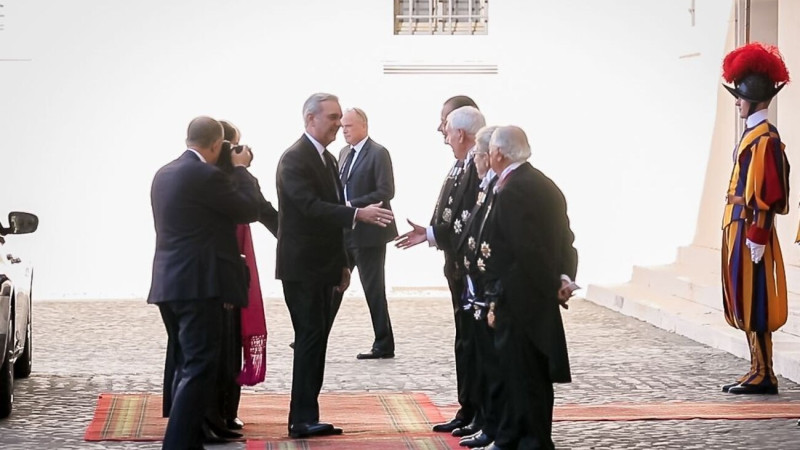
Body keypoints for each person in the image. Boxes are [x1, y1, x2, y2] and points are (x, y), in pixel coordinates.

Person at [275, 93, 394, 439]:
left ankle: (308, 413)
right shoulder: (295, 159)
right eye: (331, 117)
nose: (338, 124)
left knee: (316, 340)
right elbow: (310, 207)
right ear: (310, 119)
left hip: (324, 265)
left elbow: (331, 214)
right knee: (309, 339)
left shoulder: (326, 159)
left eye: (341, 117)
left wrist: (343, 263)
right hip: (302, 267)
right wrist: (358, 213)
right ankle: (301, 418)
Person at [148, 116, 260, 450]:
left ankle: (191, 441)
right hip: (199, 286)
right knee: (199, 368)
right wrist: (240, 169)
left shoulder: (163, 173)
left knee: (188, 366)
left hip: (168, 283)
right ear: (216, 144)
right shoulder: (206, 175)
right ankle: (178, 444)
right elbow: (248, 209)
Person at [473, 125, 578, 450]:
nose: (489, 157)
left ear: (500, 154)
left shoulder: (514, 189)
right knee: (529, 375)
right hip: (537, 294)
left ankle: (525, 440)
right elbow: (565, 242)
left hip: (521, 299)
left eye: (490, 151)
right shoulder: (544, 184)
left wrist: (550, 285)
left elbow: (525, 249)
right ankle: (518, 437)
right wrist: (563, 278)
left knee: (521, 376)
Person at [395, 97, 485, 436]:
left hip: (471, 270)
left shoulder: (477, 165)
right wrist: (430, 232)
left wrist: (433, 233)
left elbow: (469, 219)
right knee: (464, 341)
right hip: (457, 268)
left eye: (444, 124)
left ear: (460, 131)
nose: (441, 131)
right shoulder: (460, 163)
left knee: (475, 343)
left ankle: (480, 412)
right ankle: (468, 408)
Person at [719, 42, 791, 395]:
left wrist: (757, 235)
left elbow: (768, 192)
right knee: (744, 300)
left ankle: (765, 373)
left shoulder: (764, 138)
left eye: (740, 96)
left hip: (750, 228)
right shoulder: (754, 134)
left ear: (753, 98)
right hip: (738, 226)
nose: (736, 102)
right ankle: (756, 368)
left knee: (756, 300)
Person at [214, 120, 279, 430]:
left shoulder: (238, 178)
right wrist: (240, 170)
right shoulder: (216, 177)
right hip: (220, 268)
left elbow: (264, 210)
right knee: (222, 342)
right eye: (232, 145)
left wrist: (294, 242)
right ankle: (216, 412)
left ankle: (227, 410)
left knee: (234, 338)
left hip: (236, 266)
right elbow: (253, 209)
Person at [337, 107, 398, 359]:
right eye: (342, 127)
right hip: (345, 230)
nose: (344, 131)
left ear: (363, 126)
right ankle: (313, 335)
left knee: (373, 288)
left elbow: (386, 191)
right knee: (333, 284)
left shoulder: (378, 153)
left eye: (349, 126)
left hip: (370, 233)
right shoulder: (342, 153)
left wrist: (353, 206)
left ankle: (384, 344)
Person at [454, 124, 499, 449]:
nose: (476, 161)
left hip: (495, 292)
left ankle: (495, 425)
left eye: (479, 156)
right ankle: (484, 420)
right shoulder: (492, 185)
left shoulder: (511, 188)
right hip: (478, 288)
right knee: (478, 355)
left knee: (495, 365)